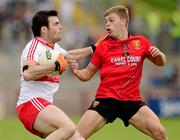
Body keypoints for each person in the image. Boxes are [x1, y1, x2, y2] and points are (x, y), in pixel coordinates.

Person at [69, 5, 168, 140]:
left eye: (111, 20)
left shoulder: (140, 42)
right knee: (76, 136)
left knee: (160, 132)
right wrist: (76, 71)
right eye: (105, 22)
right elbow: (87, 74)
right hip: (106, 100)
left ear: (123, 21)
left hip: (131, 101)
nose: (107, 24)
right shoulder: (102, 46)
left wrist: (160, 55)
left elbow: (160, 62)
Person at [16, 10, 92, 140]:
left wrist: (95, 48)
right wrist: (54, 66)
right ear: (44, 29)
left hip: (43, 106)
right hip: (30, 104)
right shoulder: (34, 46)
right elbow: (28, 73)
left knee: (78, 138)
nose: (60, 27)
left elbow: (70, 56)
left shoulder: (54, 48)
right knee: (68, 127)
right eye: (56, 24)